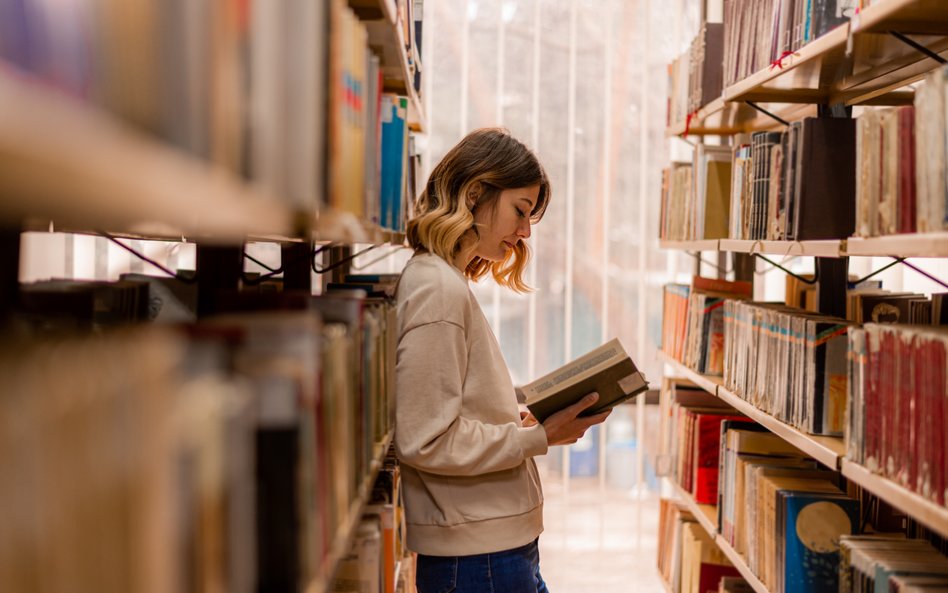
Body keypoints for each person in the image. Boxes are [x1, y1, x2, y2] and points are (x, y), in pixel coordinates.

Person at [395, 127, 611, 593]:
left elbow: (452, 404)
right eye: (520, 210)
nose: (526, 231)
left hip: (492, 548)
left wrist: (516, 411)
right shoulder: (438, 289)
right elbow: (427, 439)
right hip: (479, 557)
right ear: (474, 194)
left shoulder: (446, 281)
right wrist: (537, 438)